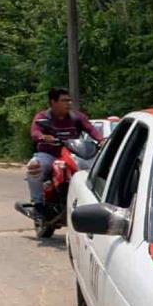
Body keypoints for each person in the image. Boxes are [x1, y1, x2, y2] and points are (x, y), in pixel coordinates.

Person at [26, 87, 104, 217]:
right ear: (53, 102)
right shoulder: (43, 117)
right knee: (34, 166)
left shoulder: (76, 117)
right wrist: (43, 137)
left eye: (69, 100)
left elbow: (91, 129)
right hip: (49, 154)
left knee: (94, 170)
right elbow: (35, 132)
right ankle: (38, 205)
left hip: (72, 153)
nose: (69, 103)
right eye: (64, 100)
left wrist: (101, 140)